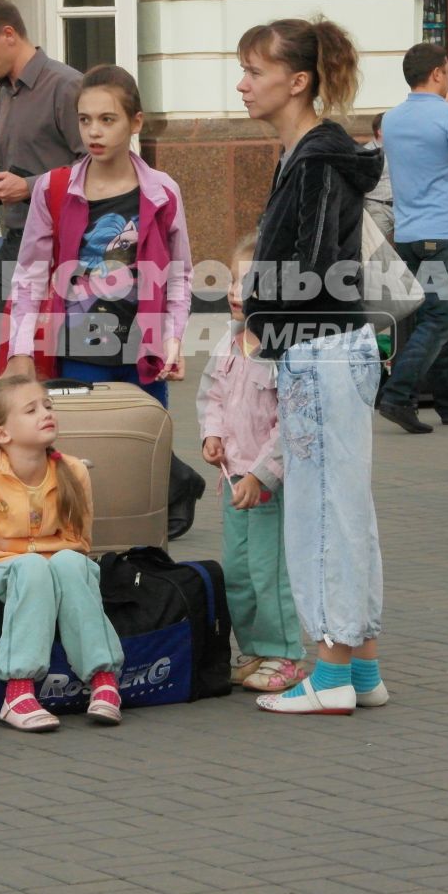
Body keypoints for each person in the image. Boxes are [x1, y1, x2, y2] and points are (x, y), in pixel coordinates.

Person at [237, 16, 388, 716]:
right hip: (329, 346)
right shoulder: (312, 150)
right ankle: (358, 667)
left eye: (255, 72)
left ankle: (330, 673)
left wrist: (264, 317)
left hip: (320, 346)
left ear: (296, 81)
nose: (243, 84)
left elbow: (310, 263)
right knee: (344, 507)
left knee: (323, 512)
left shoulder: (317, 156)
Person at [2, 64, 190, 395]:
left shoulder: (162, 192)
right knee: (83, 444)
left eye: (107, 119)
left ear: (136, 122)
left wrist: (173, 338)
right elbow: (29, 275)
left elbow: (178, 275)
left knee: (144, 445)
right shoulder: (53, 188)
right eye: (84, 119)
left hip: (145, 355)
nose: (93, 132)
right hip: (78, 352)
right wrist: (20, 351)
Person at [0, 377, 125, 731]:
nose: (45, 413)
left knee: (72, 564)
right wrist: (33, 555)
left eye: (47, 405)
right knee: (34, 567)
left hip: (38, 565)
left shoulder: (73, 471)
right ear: (1, 434)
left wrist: (24, 551)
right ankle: (17, 692)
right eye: (31, 410)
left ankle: (104, 679)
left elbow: (78, 543)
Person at [0, 0, 83, 391]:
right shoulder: (6, 89)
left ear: (8, 34)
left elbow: (99, 168)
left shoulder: (67, 86)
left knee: (52, 368)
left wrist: (26, 187)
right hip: (17, 240)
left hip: (62, 248)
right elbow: (18, 175)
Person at [199, 234, 305, 694]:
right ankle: (255, 649)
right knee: (237, 572)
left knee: (269, 571)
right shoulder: (230, 340)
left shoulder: (285, 351)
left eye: (250, 283)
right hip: (232, 477)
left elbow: (292, 425)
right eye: (234, 281)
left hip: (267, 487)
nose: (236, 292)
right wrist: (212, 434)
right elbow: (212, 393)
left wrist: (263, 477)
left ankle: (285, 653)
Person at [372, 41, 448, 433]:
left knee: (430, 316)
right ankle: (398, 396)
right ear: (436, 73)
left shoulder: (392, 119)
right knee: (441, 316)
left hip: (408, 233)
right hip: (442, 231)